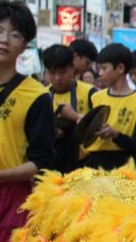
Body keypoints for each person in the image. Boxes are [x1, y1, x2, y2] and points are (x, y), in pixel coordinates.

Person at [0, 1, 54, 242]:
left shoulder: (37, 96)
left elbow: (41, 162)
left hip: (10, 201)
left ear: (24, 45)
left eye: (14, 35)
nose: (3, 40)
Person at [83, 43, 136, 171]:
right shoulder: (96, 97)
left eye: (104, 68)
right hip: (95, 164)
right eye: (99, 69)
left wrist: (115, 135)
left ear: (120, 68)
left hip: (124, 167)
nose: (100, 73)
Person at [42, 43, 97, 173]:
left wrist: (75, 117)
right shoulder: (42, 96)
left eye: (62, 72)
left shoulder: (90, 93)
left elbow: (100, 128)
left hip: (83, 166)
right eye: (52, 72)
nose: (57, 78)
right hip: (50, 166)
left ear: (72, 69)